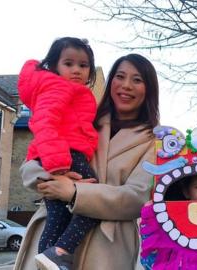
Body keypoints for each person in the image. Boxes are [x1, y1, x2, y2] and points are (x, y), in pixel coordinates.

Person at [14, 53, 160, 270]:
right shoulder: (81, 120)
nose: (126, 85)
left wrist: (75, 193)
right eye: (120, 77)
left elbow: (137, 197)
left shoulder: (155, 141)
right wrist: (54, 179)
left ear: (148, 89)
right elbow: (31, 164)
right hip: (52, 231)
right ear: (111, 82)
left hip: (107, 250)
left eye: (137, 80)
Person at [17, 37, 100, 270]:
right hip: (66, 155)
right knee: (91, 202)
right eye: (69, 63)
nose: (76, 70)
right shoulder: (58, 86)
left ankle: (46, 259)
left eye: (83, 66)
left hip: (54, 155)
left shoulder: (64, 88)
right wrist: (59, 167)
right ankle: (61, 252)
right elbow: (44, 122)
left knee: (58, 215)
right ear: (54, 66)